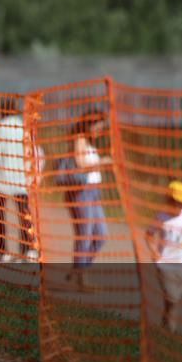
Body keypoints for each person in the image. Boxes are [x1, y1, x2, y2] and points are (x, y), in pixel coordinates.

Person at [59, 108, 112, 290]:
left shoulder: (89, 142)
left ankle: (77, 271)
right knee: (85, 236)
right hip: (81, 193)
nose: (100, 131)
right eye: (98, 126)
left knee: (101, 236)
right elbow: (81, 166)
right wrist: (102, 162)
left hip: (93, 193)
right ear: (89, 124)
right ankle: (81, 280)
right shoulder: (79, 139)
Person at [0, 99, 43, 262]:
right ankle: (29, 250)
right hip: (22, 179)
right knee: (25, 216)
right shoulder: (23, 126)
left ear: (1, 110)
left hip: (2, 179)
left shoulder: (0, 126)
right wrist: (36, 175)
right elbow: (36, 151)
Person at [146, 180, 182, 332]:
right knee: (171, 295)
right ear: (169, 200)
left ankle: (166, 319)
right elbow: (149, 235)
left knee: (175, 298)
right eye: (178, 202)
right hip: (164, 263)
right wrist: (154, 252)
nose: (181, 206)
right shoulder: (161, 217)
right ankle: (171, 329)